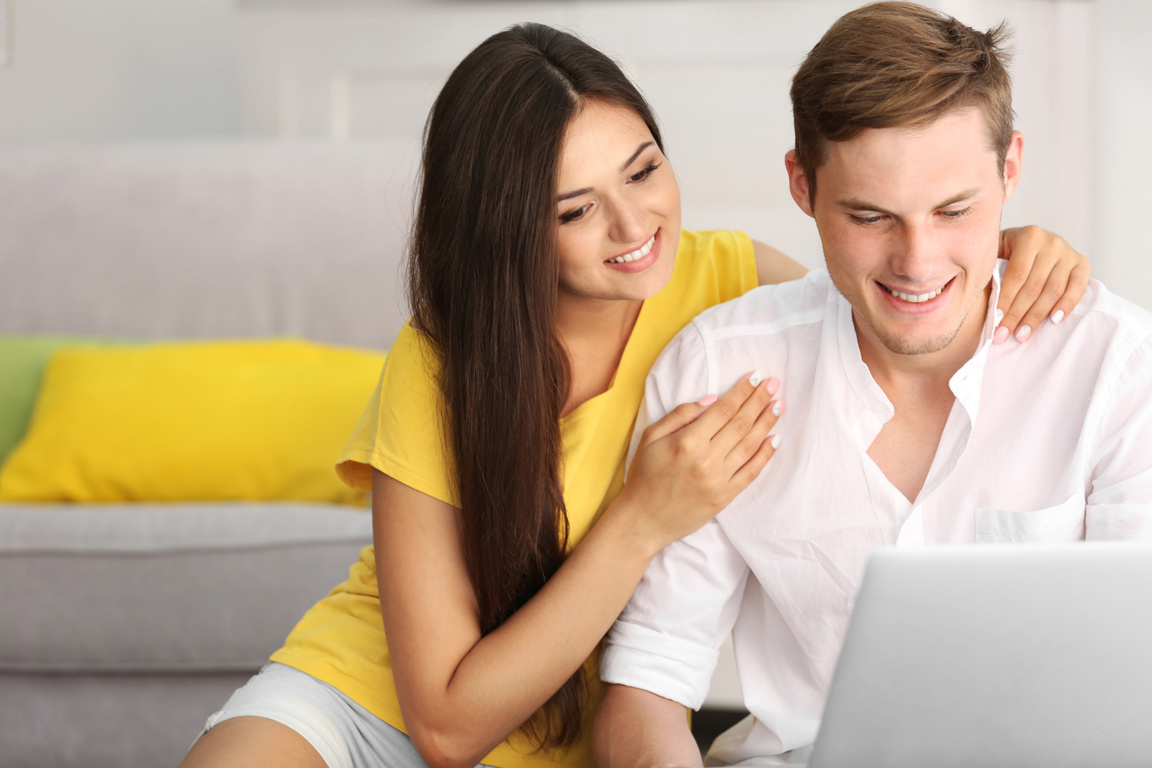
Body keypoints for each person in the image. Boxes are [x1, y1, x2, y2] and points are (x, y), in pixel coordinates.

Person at [179, 20, 1090, 768]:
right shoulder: (440, 360)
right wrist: (643, 518)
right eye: (575, 210)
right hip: (381, 701)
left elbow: (887, 282)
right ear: (509, 231)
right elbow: (447, 727)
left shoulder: (730, 283)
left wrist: (1014, 247)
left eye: (644, 169)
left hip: (576, 740)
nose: (634, 226)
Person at [593, 3, 1152, 766]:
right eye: (869, 216)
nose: (917, 263)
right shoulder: (718, 370)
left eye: (955, 210)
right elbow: (648, 690)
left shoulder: (1114, 367)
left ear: (1010, 169)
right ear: (802, 186)